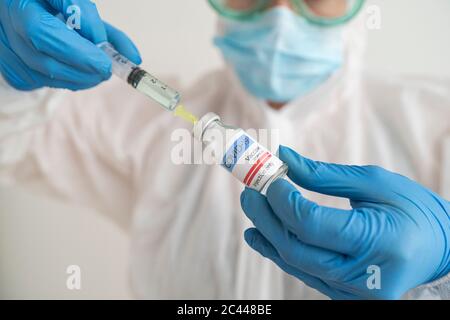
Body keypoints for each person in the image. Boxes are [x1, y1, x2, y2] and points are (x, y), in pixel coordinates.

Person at [0, 0, 449, 299]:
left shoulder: (436, 124)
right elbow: (14, 140)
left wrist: (445, 265)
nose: (279, 12)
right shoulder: (141, 129)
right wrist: (10, 73)